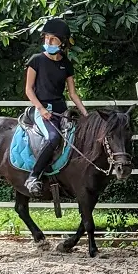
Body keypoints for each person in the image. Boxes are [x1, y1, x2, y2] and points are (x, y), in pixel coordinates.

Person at [23, 18, 88, 196]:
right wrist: (42, 109)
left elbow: (73, 93)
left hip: (62, 110)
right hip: (43, 109)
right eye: (46, 38)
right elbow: (29, 90)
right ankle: (33, 176)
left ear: (62, 42)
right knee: (53, 138)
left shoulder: (66, 64)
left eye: (53, 39)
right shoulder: (36, 61)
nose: (48, 42)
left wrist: (85, 114)